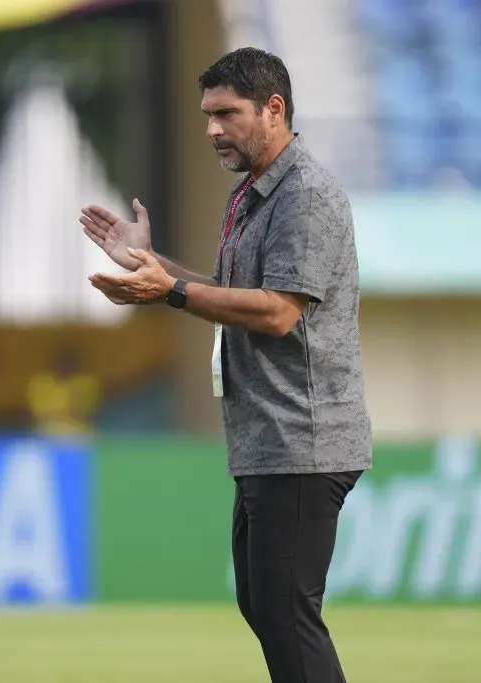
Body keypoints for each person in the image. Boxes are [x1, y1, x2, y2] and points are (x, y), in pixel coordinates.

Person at [78, 47, 371, 683]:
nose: (211, 128)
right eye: (207, 114)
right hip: (268, 440)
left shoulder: (306, 195)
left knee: (286, 614)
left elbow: (277, 313)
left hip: (303, 439)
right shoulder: (253, 194)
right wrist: (154, 267)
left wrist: (171, 292)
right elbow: (231, 295)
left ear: (274, 109)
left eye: (226, 113)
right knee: (266, 608)